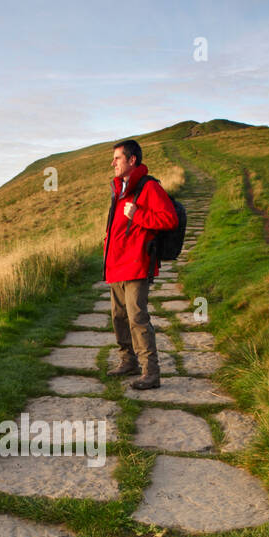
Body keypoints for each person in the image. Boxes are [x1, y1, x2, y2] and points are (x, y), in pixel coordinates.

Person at [103, 139, 179, 389]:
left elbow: (170, 219)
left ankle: (151, 372)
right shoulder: (120, 187)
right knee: (119, 317)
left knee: (137, 317)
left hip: (136, 265)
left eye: (117, 158)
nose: (113, 162)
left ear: (132, 159)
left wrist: (138, 215)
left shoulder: (149, 187)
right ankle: (128, 362)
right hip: (116, 264)